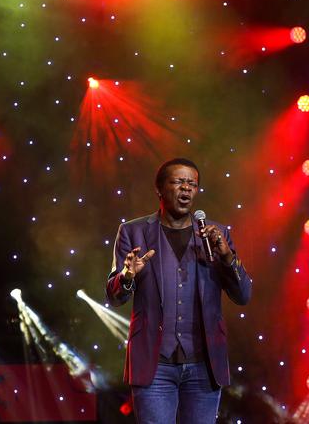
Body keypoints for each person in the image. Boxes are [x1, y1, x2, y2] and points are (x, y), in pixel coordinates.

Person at [106, 158, 252, 424]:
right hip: (155, 365)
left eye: (192, 184)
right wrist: (127, 275)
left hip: (204, 365)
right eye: (178, 182)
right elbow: (114, 297)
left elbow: (243, 296)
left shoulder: (216, 235)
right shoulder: (133, 232)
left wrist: (228, 257)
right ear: (160, 189)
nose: (186, 188)